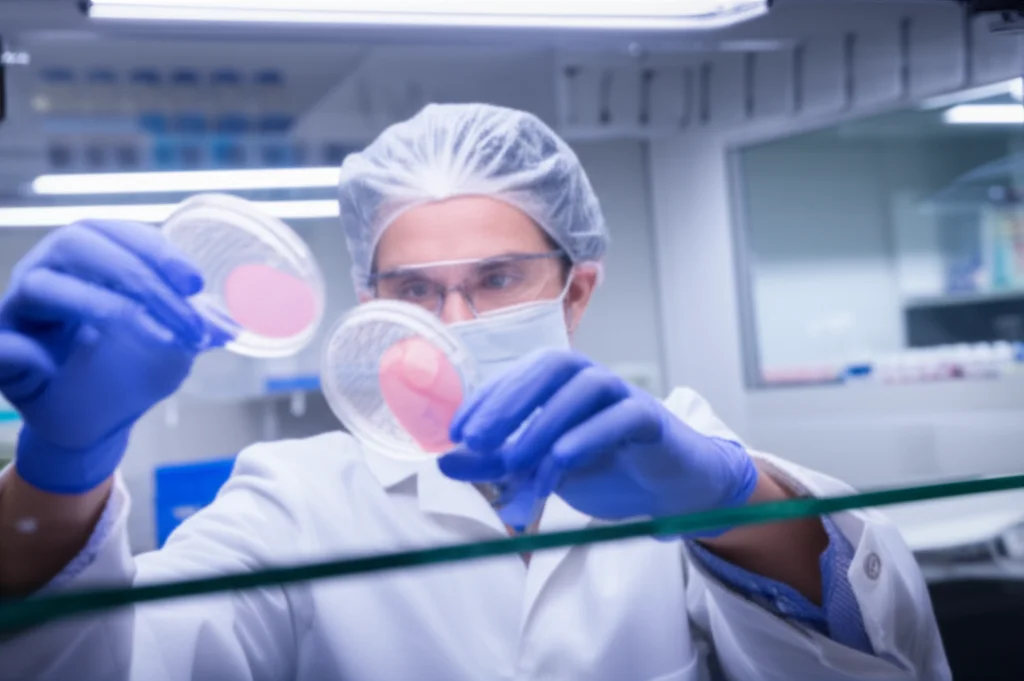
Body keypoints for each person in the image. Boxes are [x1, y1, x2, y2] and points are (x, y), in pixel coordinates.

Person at [0, 103, 948, 681]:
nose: (449, 320)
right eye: (413, 289)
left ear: (577, 290)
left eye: (497, 280)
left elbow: (881, 657)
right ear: (371, 305)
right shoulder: (293, 499)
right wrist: (58, 475)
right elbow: (112, 665)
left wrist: (729, 502)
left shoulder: (678, 454)